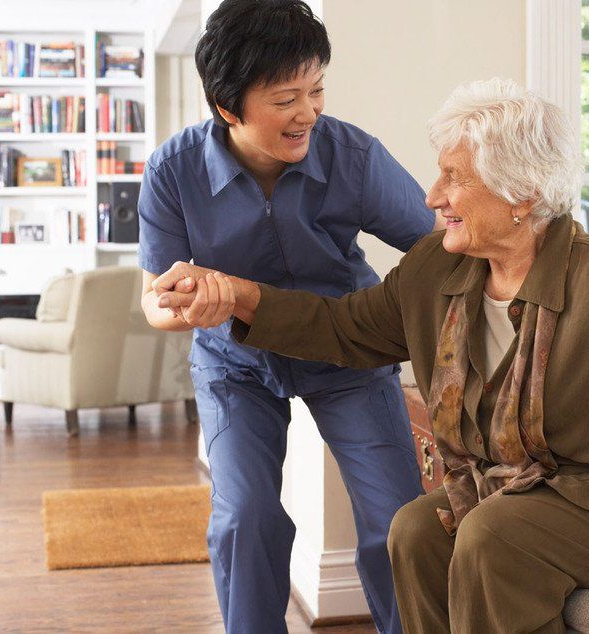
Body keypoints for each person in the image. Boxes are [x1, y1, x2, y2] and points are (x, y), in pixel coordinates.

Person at [155, 78, 589, 634]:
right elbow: (343, 328)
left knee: (493, 535)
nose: (430, 197)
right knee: (415, 529)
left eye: (453, 178)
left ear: (521, 194)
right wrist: (235, 295)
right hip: (529, 491)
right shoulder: (438, 270)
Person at [138, 1, 443, 632]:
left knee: (397, 522)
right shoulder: (174, 172)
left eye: (316, 89)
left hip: (347, 352)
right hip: (235, 366)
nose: (308, 112)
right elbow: (154, 302)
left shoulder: (353, 156)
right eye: (285, 98)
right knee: (245, 516)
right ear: (228, 107)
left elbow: (439, 247)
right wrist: (191, 306)